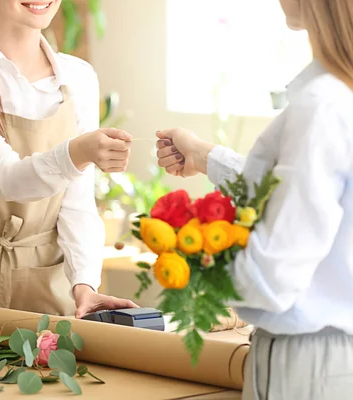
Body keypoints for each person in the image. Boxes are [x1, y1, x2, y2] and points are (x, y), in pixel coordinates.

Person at [156, 0, 353, 398]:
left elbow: (271, 277)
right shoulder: (336, 96)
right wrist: (204, 156)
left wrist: (185, 252)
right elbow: (292, 192)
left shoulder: (321, 106)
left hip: (307, 366)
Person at [0, 0, 137, 318]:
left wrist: (84, 285)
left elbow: (78, 205)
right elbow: (7, 179)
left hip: (49, 280)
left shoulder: (79, 77)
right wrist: (78, 152)